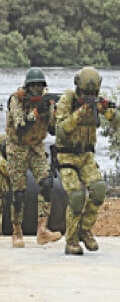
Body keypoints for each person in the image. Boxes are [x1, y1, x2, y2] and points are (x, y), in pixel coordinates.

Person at [55, 67, 117, 255]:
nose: (89, 97)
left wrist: (107, 110)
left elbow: (116, 121)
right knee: (76, 196)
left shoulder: (97, 102)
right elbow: (60, 130)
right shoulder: (68, 100)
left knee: (99, 189)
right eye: (86, 94)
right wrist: (80, 112)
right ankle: (71, 240)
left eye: (93, 94)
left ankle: (84, 229)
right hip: (66, 155)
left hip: (86, 155)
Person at [5, 68, 62, 248]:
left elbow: (53, 129)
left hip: (36, 147)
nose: (37, 89)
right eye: (33, 86)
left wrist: (52, 111)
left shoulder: (45, 100)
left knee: (46, 182)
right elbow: (20, 125)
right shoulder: (16, 99)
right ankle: (16, 230)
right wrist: (36, 112)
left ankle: (42, 230)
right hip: (17, 148)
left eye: (40, 86)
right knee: (19, 192)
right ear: (27, 87)